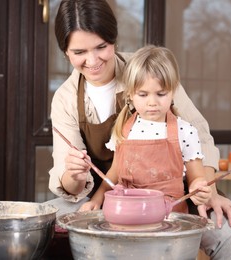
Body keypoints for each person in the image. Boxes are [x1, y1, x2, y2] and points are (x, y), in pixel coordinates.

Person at [48, 0, 231, 259]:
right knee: (42, 222)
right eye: (79, 52)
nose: (92, 60)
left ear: (114, 40)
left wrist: (208, 191)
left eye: (101, 47)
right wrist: (75, 175)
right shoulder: (65, 98)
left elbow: (199, 136)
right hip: (109, 194)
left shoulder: (150, 68)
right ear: (65, 52)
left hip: (174, 194)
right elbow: (69, 182)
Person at [79, 45, 212, 214]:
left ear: (173, 91)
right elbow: (114, 173)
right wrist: (96, 200)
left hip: (168, 218)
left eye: (161, 94)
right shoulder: (123, 129)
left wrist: (199, 188)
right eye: (143, 95)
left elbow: (196, 177)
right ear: (131, 94)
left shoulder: (185, 131)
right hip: (127, 214)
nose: (152, 102)